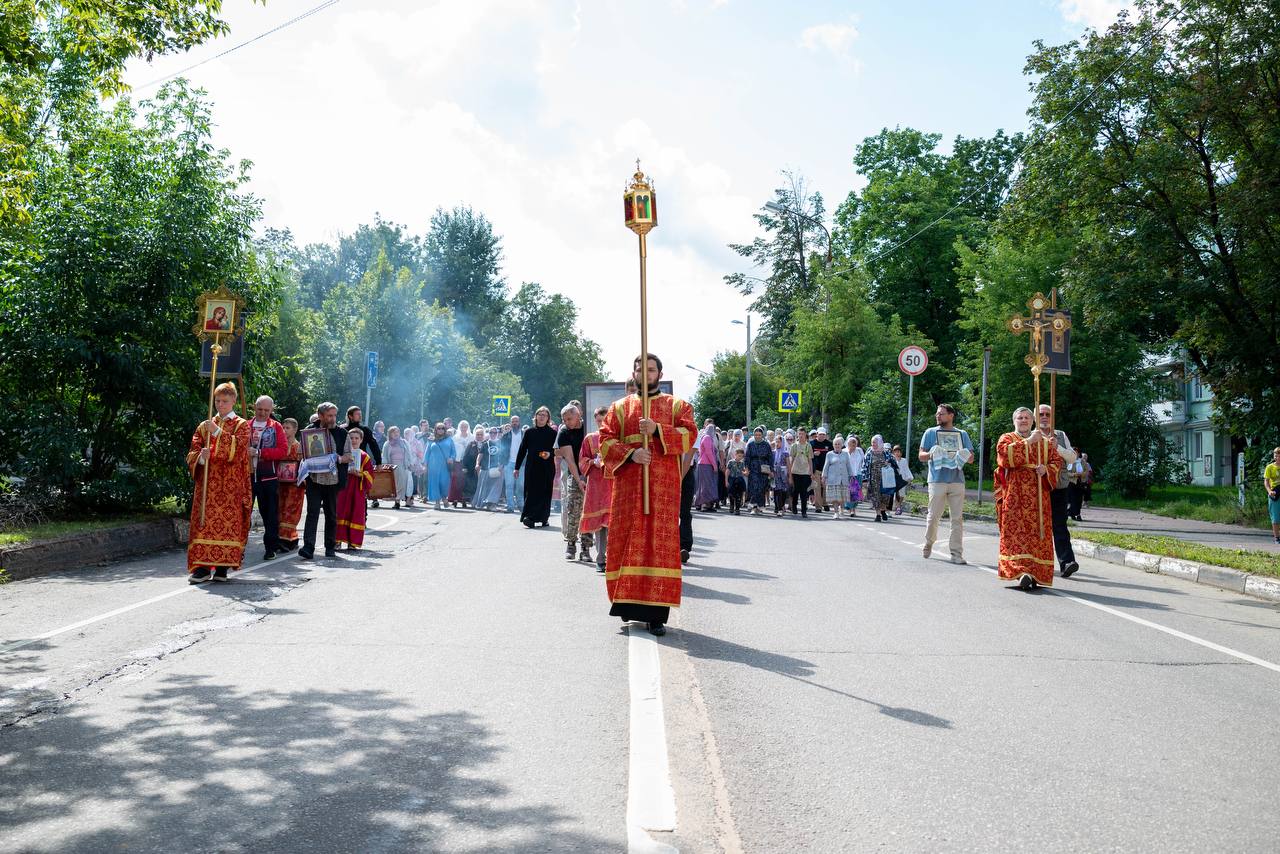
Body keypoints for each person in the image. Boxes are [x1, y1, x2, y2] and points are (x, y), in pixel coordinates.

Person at [599, 354, 697, 636]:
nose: (645, 374)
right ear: (634, 373)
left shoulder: (677, 405)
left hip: (662, 491)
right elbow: (605, 441)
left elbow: (690, 434)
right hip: (629, 490)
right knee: (629, 542)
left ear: (659, 374)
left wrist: (657, 430)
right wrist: (631, 454)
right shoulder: (620, 408)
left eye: (651, 370)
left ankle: (656, 616)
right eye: (640, 370)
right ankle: (627, 608)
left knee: (658, 547)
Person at [185, 382, 253, 583]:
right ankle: (203, 567)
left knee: (228, 524)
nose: (220, 404)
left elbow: (238, 450)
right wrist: (201, 457)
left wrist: (216, 432)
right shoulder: (203, 426)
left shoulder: (242, 425)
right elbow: (192, 453)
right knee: (204, 522)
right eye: (217, 400)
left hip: (231, 485)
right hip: (207, 485)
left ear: (233, 401)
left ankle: (223, 568)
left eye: (224, 401)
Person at [996, 407, 1063, 589]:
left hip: (1038, 496)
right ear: (1014, 421)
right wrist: (1028, 442)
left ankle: (1035, 572)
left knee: (1037, 533)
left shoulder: (1045, 442)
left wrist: (1047, 470)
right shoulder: (1007, 438)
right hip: (1015, 495)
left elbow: (1056, 461)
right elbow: (1004, 456)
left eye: (1027, 418)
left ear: (1032, 421)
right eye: (1020, 417)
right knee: (1015, 533)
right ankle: (1020, 572)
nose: (1023, 420)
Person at [918, 403, 973, 563]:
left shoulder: (962, 434)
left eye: (941, 414)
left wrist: (964, 455)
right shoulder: (930, 432)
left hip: (957, 481)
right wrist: (932, 453)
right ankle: (928, 542)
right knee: (933, 516)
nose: (938, 416)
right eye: (937, 413)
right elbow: (921, 455)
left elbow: (971, 459)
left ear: (951, 416)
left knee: (957, 519)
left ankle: (956, 554)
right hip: (937, 480)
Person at [299, 402, 349, 560]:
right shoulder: (309, 432)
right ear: (320, 416)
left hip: (333, 480)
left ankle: (330, 546)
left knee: (331, 514)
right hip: (314, 479)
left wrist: (337, 458)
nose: (333, 419)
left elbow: (348, 455)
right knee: (312, 513)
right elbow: (302, 453)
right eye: (329, 415)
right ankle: (308, 548)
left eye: (334, 415)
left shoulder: (342, 433)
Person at [1037, 404, 1081, 578]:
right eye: (1041, 414)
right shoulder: (1031, 435)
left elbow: (1072, 458)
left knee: (1059, 525)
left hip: (1059, 486)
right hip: (1037, 487)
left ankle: (1066, 562)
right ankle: (1037, 562)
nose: (1045, 417)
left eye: (1048, 414)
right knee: (1038, 525)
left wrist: (1058, 447)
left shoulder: (1061, 435)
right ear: (1036, 417)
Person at [248, 395, 289, 560]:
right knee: (243, 513)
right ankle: (237, 549)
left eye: (266, 410)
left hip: (268, 477)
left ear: (271, 410)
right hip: (247, 476)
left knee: (270, 514)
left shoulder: (276, 427)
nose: (263, 413)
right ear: (254, 407)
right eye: (260, 409)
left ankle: (270, 548)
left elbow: (282, 451)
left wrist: (259, 453)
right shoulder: (245, 425)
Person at [580, 407, 613, 571]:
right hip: (596, 485)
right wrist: (592, 462)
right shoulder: (590, 438)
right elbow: (582, 460)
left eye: (604, 419)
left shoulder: (616, 437)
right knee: (600, 523)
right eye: (599, 420)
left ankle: (612, 557)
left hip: (613, 484)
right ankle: (601, 558)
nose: (601, 423)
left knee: (612, 522)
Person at [556, 403, 591, 561]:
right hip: (574, 474)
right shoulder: (564, 431)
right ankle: (571, 544)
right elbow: (569, 459)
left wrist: (587, 476)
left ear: (578, 415)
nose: (567, 422)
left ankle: (586, 547)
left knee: (589, 511)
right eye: (564, 419)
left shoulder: (589, 426)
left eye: (569, 418)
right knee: (573, 509)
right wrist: (579, 480)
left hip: (592, 474)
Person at [517, 406, 558, 528]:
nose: (541, 417)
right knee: (531, 491)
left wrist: (550, 453)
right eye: (539, 414)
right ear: (535, 416)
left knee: (544, 492)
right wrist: (517, 467)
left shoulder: (553, 433)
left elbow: (558, 450)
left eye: (544, 415)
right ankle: (529, 517)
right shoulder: (529, 432)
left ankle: (543, 517)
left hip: (547, 467)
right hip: (532, 467)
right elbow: (522, 450)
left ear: (548, 418)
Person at [335, 427, 375, 548]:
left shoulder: (365, 457)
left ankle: (352, 542)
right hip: (343, 488)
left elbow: (370, 475)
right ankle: (336, 540)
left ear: (361, 440)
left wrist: (360, 474)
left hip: (357, 489)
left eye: (356, 438)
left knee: (355, 513)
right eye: (351, 438)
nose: (353, 440)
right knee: (340, 512)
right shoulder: (342, 454)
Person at [342, 405, 382, 507]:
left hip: (361, 463)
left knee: (360, 490)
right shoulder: (342, 429)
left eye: (360, 414)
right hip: (345, 464)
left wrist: (378, 462)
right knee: (344, 493)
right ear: (350, 416)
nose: (360, 416)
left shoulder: (365, 429)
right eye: (357, 414)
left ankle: (362, 515)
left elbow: (374, 445)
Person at [276, 417, 305, 552]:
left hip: (294, 485)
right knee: (280, 510)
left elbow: (304, 465)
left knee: (290, 511)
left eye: (288, 428)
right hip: (281, 484)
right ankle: (286, 539)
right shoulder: (279, 445)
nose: (285, 430)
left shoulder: (299, 447)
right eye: (283, 427)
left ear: (295, 430)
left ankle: (286, 540)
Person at [861, 435, 896, 522]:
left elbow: (894, 463)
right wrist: (864, 480)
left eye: (875, 442)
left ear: (880, 443)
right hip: (874, 479)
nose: (873, 444)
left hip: (885, 479)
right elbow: (864, 466)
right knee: (876, 497)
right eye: (872, 442)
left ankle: (883, 510)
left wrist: (889, 463)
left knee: (885, 496)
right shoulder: (869, 454)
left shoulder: (886, 453)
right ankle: (878, 515)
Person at [424, 422, 454, 511]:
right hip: (433, 466)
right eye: (438, 428)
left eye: (442, 428)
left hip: (445, 465)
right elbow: (427, 453)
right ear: (435, 430)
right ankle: (437, 502)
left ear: (445, 430)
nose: (440, 430)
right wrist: (425, 465)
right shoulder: (431, 439)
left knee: (444, 483)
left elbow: (453, 451)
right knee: (434, 483)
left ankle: (444, 498)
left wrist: (451, 458)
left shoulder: (449, 439)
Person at [382, 426, 413, 509]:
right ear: (390, 434)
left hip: (403, 466)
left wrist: (410, 463)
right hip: (392, 467)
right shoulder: (387, 444)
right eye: (393, 432)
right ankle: (396, 500)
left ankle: (397, 501)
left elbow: (409, 453)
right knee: (394, 485)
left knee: (401, 484)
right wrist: (385, 465)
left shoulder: (404, 442)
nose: (396, 434)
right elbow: (384, 456)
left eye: (397, 432)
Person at [693, 420, 720, 511]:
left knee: (702, 485)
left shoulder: (704, 437)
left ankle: (700, 504)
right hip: (706, 464)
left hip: (703, 464)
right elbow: (709, 453)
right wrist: (714, 465)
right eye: (712, 429)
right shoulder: (708, 438)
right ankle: (705, 505)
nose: (714, 431)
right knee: (706, 485)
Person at [823, 437, 853, 519]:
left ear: (842, 445)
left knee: (842, 497)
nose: (837, 445)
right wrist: (824, 476)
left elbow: (848, 466)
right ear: (833, 445)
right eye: (835, 444)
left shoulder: (845, 454)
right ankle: (836, 512)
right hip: (833, 479)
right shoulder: (829, 454)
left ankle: (841, 509)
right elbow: (826, 466)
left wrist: (851, 475)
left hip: (843, 478)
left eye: (839, 444)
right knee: (835, 497)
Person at [745, 426, 772, 515]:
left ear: (762, 435)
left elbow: (770, 457)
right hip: (753, 467)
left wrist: (771, 469)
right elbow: (747, 457)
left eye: (759, 435)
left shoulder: (766, 444)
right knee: (754, 487)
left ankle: (760, 506)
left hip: (764, 468)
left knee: (761, 488)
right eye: (756, 435)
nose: (757, 436)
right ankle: (754, 506)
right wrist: (747, 468)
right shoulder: (750, 444)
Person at [788, 427, 813, 517]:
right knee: (795, 491)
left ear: (805, 434)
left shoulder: (808, 446)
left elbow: (810, 460)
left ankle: (804, 510)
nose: (801, 436)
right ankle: (794, 506)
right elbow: (791, 460)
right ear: (797, 435)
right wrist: (790, 474)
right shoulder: (794, 446)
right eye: (799, 434)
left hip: (805, 472)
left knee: (804, 492)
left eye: (802, 434)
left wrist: (811, 472)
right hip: (795, 471)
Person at [500, 415, 523, 513]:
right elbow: (502, 450)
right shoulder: (506, 436)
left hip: (521, 464)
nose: (514, 423)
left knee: (520, 486)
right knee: (509, 485)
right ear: (510, 423)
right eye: (513, 421)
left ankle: (521, 505)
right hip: (509, 463)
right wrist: (501, 463)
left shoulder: (524, 435)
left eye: (516, 421)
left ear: (519, 422)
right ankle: (510, 506)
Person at [449, 420, 473, 507]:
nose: (463, 428)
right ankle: (455, 499)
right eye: (462, 427)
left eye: (465, 427)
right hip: (457, 462)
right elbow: (451, 450)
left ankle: (464, 499)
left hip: (468, 462)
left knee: (465, 481)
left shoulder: (471, 437)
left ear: (468, 427)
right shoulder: (455, 438)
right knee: (456, 481)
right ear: (459, 427)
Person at [810, 427, 834, 512]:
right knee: (817, 488)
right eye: (820, 434)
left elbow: (833, 455)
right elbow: (808, 455)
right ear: (817, 434)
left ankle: (825, 503)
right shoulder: (812, 443)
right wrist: (813, 454)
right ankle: (818, 506)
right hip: (816, 469)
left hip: (826, 470)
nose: (822, 436)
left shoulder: (829, 444)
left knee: (825, 487)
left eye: (823, 434)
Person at [770, 433, 790, 516]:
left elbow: (788, 464)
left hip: (783, 474)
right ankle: (777, 507)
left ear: (782, 443)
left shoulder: (785, 453)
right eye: (776, 442)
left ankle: (781, 507)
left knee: (783, 492)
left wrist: (790, 475)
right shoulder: (773, 452)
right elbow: (771, 463)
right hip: (775, 473)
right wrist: (770, 472)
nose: (777, 444)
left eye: (779, 442)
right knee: (776, 491)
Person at [891, 445, 914, 515]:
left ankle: (898, 506)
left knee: (902, 495)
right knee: (896, 494)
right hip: (894, 480)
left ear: (901, 453)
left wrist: (909, 478)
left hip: (903, 479)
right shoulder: (892, 460)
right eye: (895, 452)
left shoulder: (904, 461)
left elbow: (906, 469)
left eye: (898, 452)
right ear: (893, 453)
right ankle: (898, 508)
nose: (897, 453)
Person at [846, 436, 865, 515]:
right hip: (848, 475)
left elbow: (863, 462)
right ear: (848, 444)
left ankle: (853, 508)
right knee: (849, 492)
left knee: (856, 493)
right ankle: (850, 508)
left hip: (858, 474)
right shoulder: (844, 451)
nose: (853, 447)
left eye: (854, 445)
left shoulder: (859, 451)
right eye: (851, 445)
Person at [1265, 447, 1280, 544]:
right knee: (1275, 517)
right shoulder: (1269, 467)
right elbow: (1266, 482)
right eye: (1276, 455)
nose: (1278, 457)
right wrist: (1269, 491)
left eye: (1279, 456)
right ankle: (1277, 538)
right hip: (1274, 493)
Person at [726, 448, 747, 514]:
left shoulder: (742, 463)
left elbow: (743, 471)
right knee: (731, 494)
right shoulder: (731, 462)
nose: (740, 457)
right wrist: (726, 481)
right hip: (732, 479)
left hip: (740, 480)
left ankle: (737, 508)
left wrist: (745, 473)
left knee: (739, 494)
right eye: (739, 456)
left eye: (742, 456)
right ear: (735, 455)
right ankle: (731, 506)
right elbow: (727, 471)